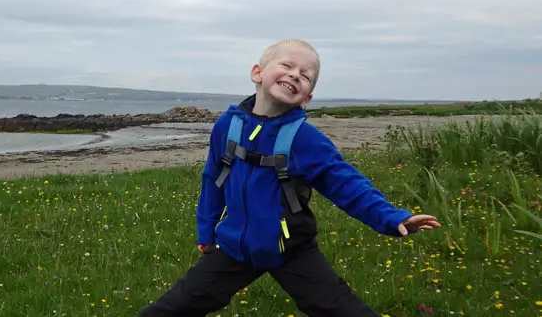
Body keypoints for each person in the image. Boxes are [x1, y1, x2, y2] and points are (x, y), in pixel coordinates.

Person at [138, 39, 442, 317]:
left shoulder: (305, 139)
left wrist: (392, 218)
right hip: (234, 248)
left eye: (305, 75)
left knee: (340, 309)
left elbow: (347, 184)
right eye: (286, 65)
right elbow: (212, 180)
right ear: (257, 72)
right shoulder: (226, 126)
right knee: (172, 308)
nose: (295, 74)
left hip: (291, 249)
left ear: (306, 97)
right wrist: (207, 233)